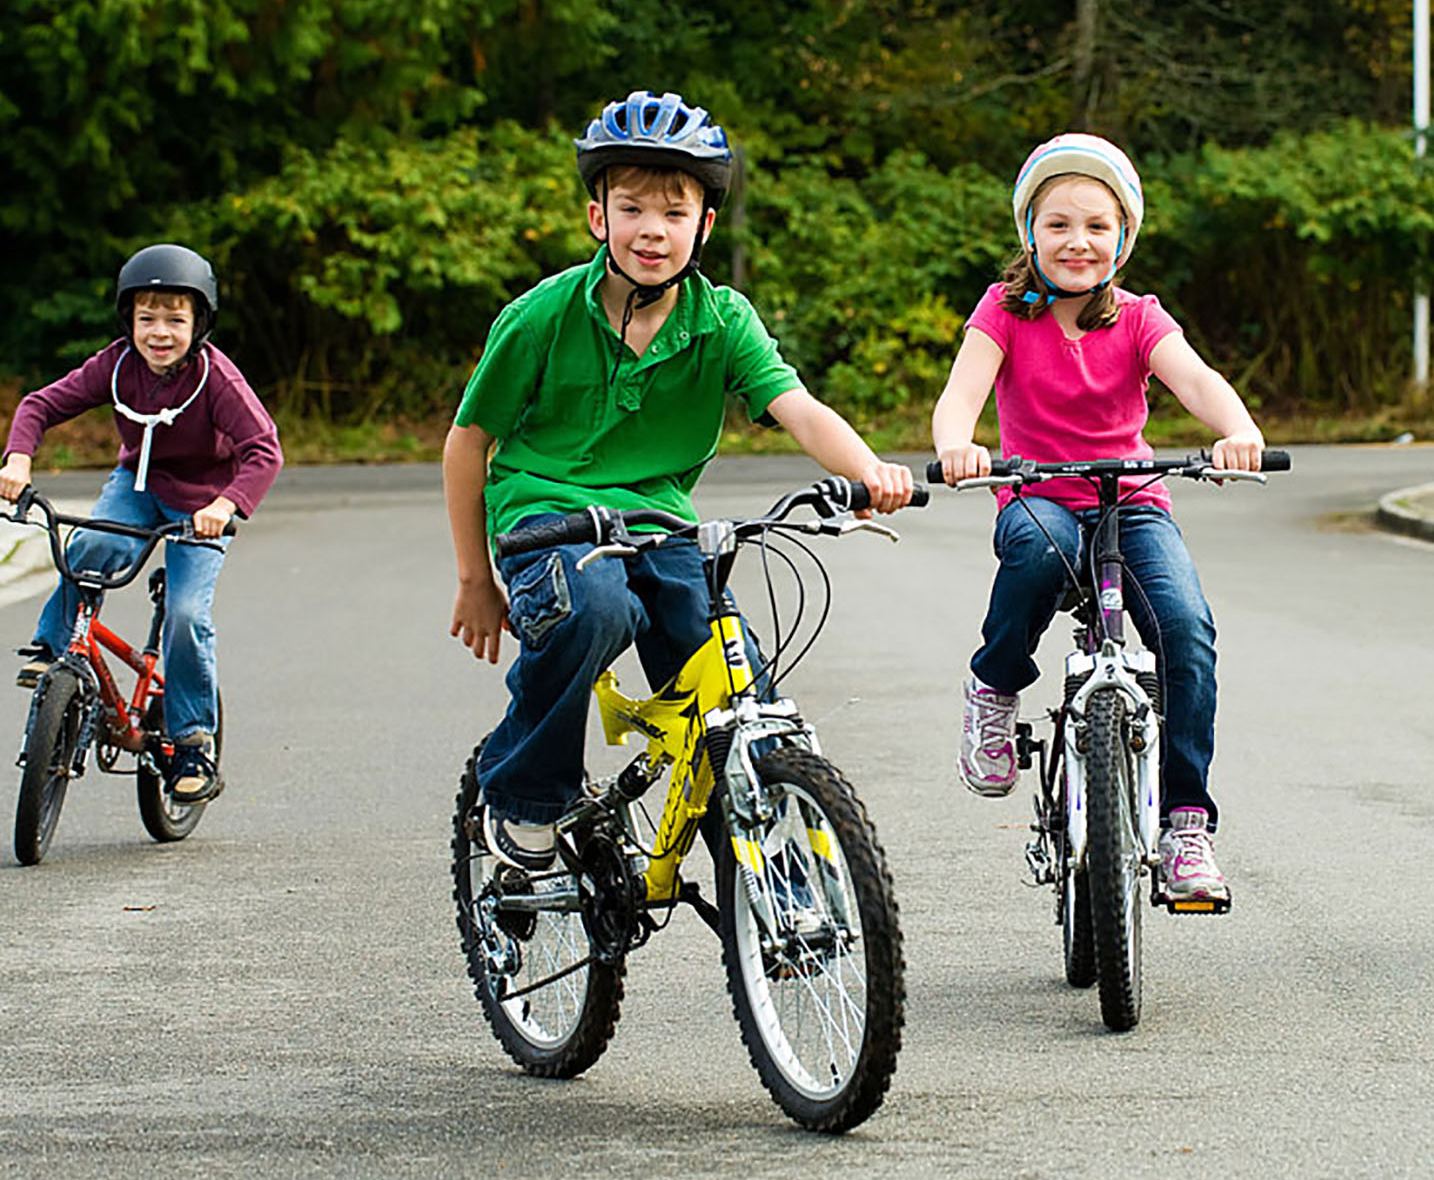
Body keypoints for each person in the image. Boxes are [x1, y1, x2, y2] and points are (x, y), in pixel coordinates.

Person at [444, 89, 914, 871]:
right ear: (599, 218)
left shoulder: (722, 319)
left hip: (660, 524)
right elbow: (468, 444)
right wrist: (475, 578)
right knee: (593, 609)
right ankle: (526, 792)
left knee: (735, 683)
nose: (652, 230)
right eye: (631, 209)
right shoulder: (542, 316)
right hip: (547, 518)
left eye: (674, 211)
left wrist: (868, 472)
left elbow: (797, 407)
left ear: (705, 223)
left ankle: (778, 892)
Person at [931, 132, 1264, 905]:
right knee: (1038, 555)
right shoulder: (1005, 311)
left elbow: (1197, 379)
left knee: (1186, 629)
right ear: (1030, 234)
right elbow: (962, 393)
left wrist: (1237, 432)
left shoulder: (1141, 318)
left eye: (1096, 227)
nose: (1077, 242)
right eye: (1058, 225)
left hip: (1133, 499)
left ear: (1123, 238)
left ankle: (1186, 826)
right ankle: (995, 688)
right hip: (1040, 494)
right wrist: (958, 446)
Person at [2, 244, 283, 804]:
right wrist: (17, 459)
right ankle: (54, 647)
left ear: (198, 323)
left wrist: (225, 506)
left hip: (202, 504)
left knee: (184, 614)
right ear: (127, 320)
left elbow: (263, 450)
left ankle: (192, 743)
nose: (160, 332)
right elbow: (39, 406)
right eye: (146, 318)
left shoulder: (217, 381)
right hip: (139, 486)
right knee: (88, 548)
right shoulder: (116, 365)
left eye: (175, 319)